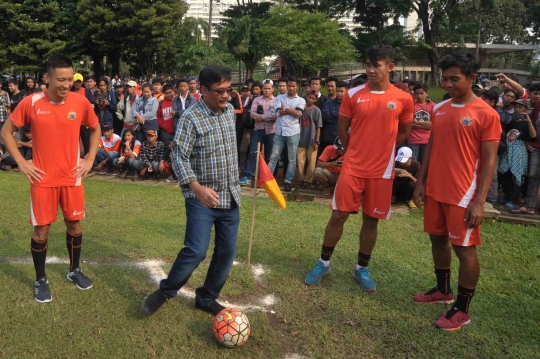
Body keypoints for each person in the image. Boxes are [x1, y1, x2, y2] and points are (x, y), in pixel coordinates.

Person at [304, 45, 413, 292]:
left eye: (378, 65)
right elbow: (343, 128)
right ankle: (324, 262)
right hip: (353, 166)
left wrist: (383, 149)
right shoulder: (353, 95)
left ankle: (361, 268)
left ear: (390, 67)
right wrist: (356, 150)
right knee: (338, 215)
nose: (372, 70)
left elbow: (405, 131)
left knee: (371, 219)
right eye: (368, 65)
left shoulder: (403, 98)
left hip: (382, 170)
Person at [140, 65, 241, 317]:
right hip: (201, 198)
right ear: (204, 90)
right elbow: (179, 157)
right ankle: (165, 292)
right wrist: (196, 188)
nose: (226, 95)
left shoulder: (229, 112)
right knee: (196, 250)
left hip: (230, 195)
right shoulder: (190, 118)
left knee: (226, 252)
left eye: (228, 89)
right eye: (220, 91)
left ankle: (207, 297)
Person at [0, 54, 100, 303]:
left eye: (70, 79)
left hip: (72, 177)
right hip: (43, 179)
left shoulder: (80, 102)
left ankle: (74, 270)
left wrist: (89, 159)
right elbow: (6, 132)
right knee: (41, 231)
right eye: (61, 80)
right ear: (48, 78)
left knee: (74, 225)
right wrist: (22, 162)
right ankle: (40, 279)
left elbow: (95, 127)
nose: (66, 85)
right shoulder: (31, 102)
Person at [412, 51, 501, 331]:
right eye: (444, 78)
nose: (447, 84)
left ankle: (462, 309)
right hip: (436, 190)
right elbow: (432, 147)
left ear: (472, 78)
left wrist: (480, 201)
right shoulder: (439, 109)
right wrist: (421, 182)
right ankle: (443, 290)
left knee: (465, 249)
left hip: (463, 194)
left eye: (455, 79)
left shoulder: (486, 114)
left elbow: (489, 160)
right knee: (437, 240)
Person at [267, 77, 306, 192]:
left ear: (297, 86)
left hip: (293, 132)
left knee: (292, 158)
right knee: (273, 156)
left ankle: (288, 181)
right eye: (289, 85)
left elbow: (298, 114)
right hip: (279, 132)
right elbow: (278, 112)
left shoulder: (301, 100)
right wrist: (290, 110)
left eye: (293, 86)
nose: (291, 88)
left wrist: (285, 108)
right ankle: (268, 180)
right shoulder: (279, 97)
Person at [498, 99, 536, 211]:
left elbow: (533, 136)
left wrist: (529, 121)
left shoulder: (528, 122)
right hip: (509, 148)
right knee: (503, 172)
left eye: (520, 107)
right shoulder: (512, 121)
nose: (517, 109)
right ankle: (508, 196)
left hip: (519, 150)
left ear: (526, 109)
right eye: (516, 107)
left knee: (517, 175)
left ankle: (515, 201)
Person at [239, 79, 277, 186]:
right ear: (262, 89)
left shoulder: (276, 100)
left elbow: (275, 115)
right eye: (265, 88)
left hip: (271, 131)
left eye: (269, 88)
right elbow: (252, 114)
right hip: (258, 130)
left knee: (270, 155)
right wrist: (262, 117)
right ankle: (247, 175)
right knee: (253, 152)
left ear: (272, 89)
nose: (266, 90)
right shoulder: (257, 100)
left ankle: (268, 178)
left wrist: (262, 117)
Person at [294, 90, 322, 188]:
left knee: (311, 162)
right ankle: (300, 179)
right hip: (300, 139)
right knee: (300, 161)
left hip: (312, 140)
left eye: (313, 98)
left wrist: (317, 141)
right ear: (306, 97)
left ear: (316, 100)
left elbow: (319, 127)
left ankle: (308, 181)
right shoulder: (301, 109)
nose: (310, 99)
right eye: (309, 97)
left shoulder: (317, 110)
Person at [408, 83, 435, 163]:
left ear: (427, 93)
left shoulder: (432, 106)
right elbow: (409, 124)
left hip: (427, 140)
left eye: (422, 93)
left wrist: (417, 122)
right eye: (417, 93)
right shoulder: (411, 106)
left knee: (425, 162)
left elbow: (433, 124)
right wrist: (426, 125)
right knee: (413, 163)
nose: (419, 96)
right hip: (413, 140)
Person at [320, 81, 346, 157]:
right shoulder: (328, 103)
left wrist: (332, 113)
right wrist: (339, 116)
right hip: (328, 137)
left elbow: (348, 118)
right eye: (337, 91)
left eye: (341, 91)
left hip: (343, 138)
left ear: (346, 91)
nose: (339, 93)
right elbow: (325, 116)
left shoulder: (348, 104)